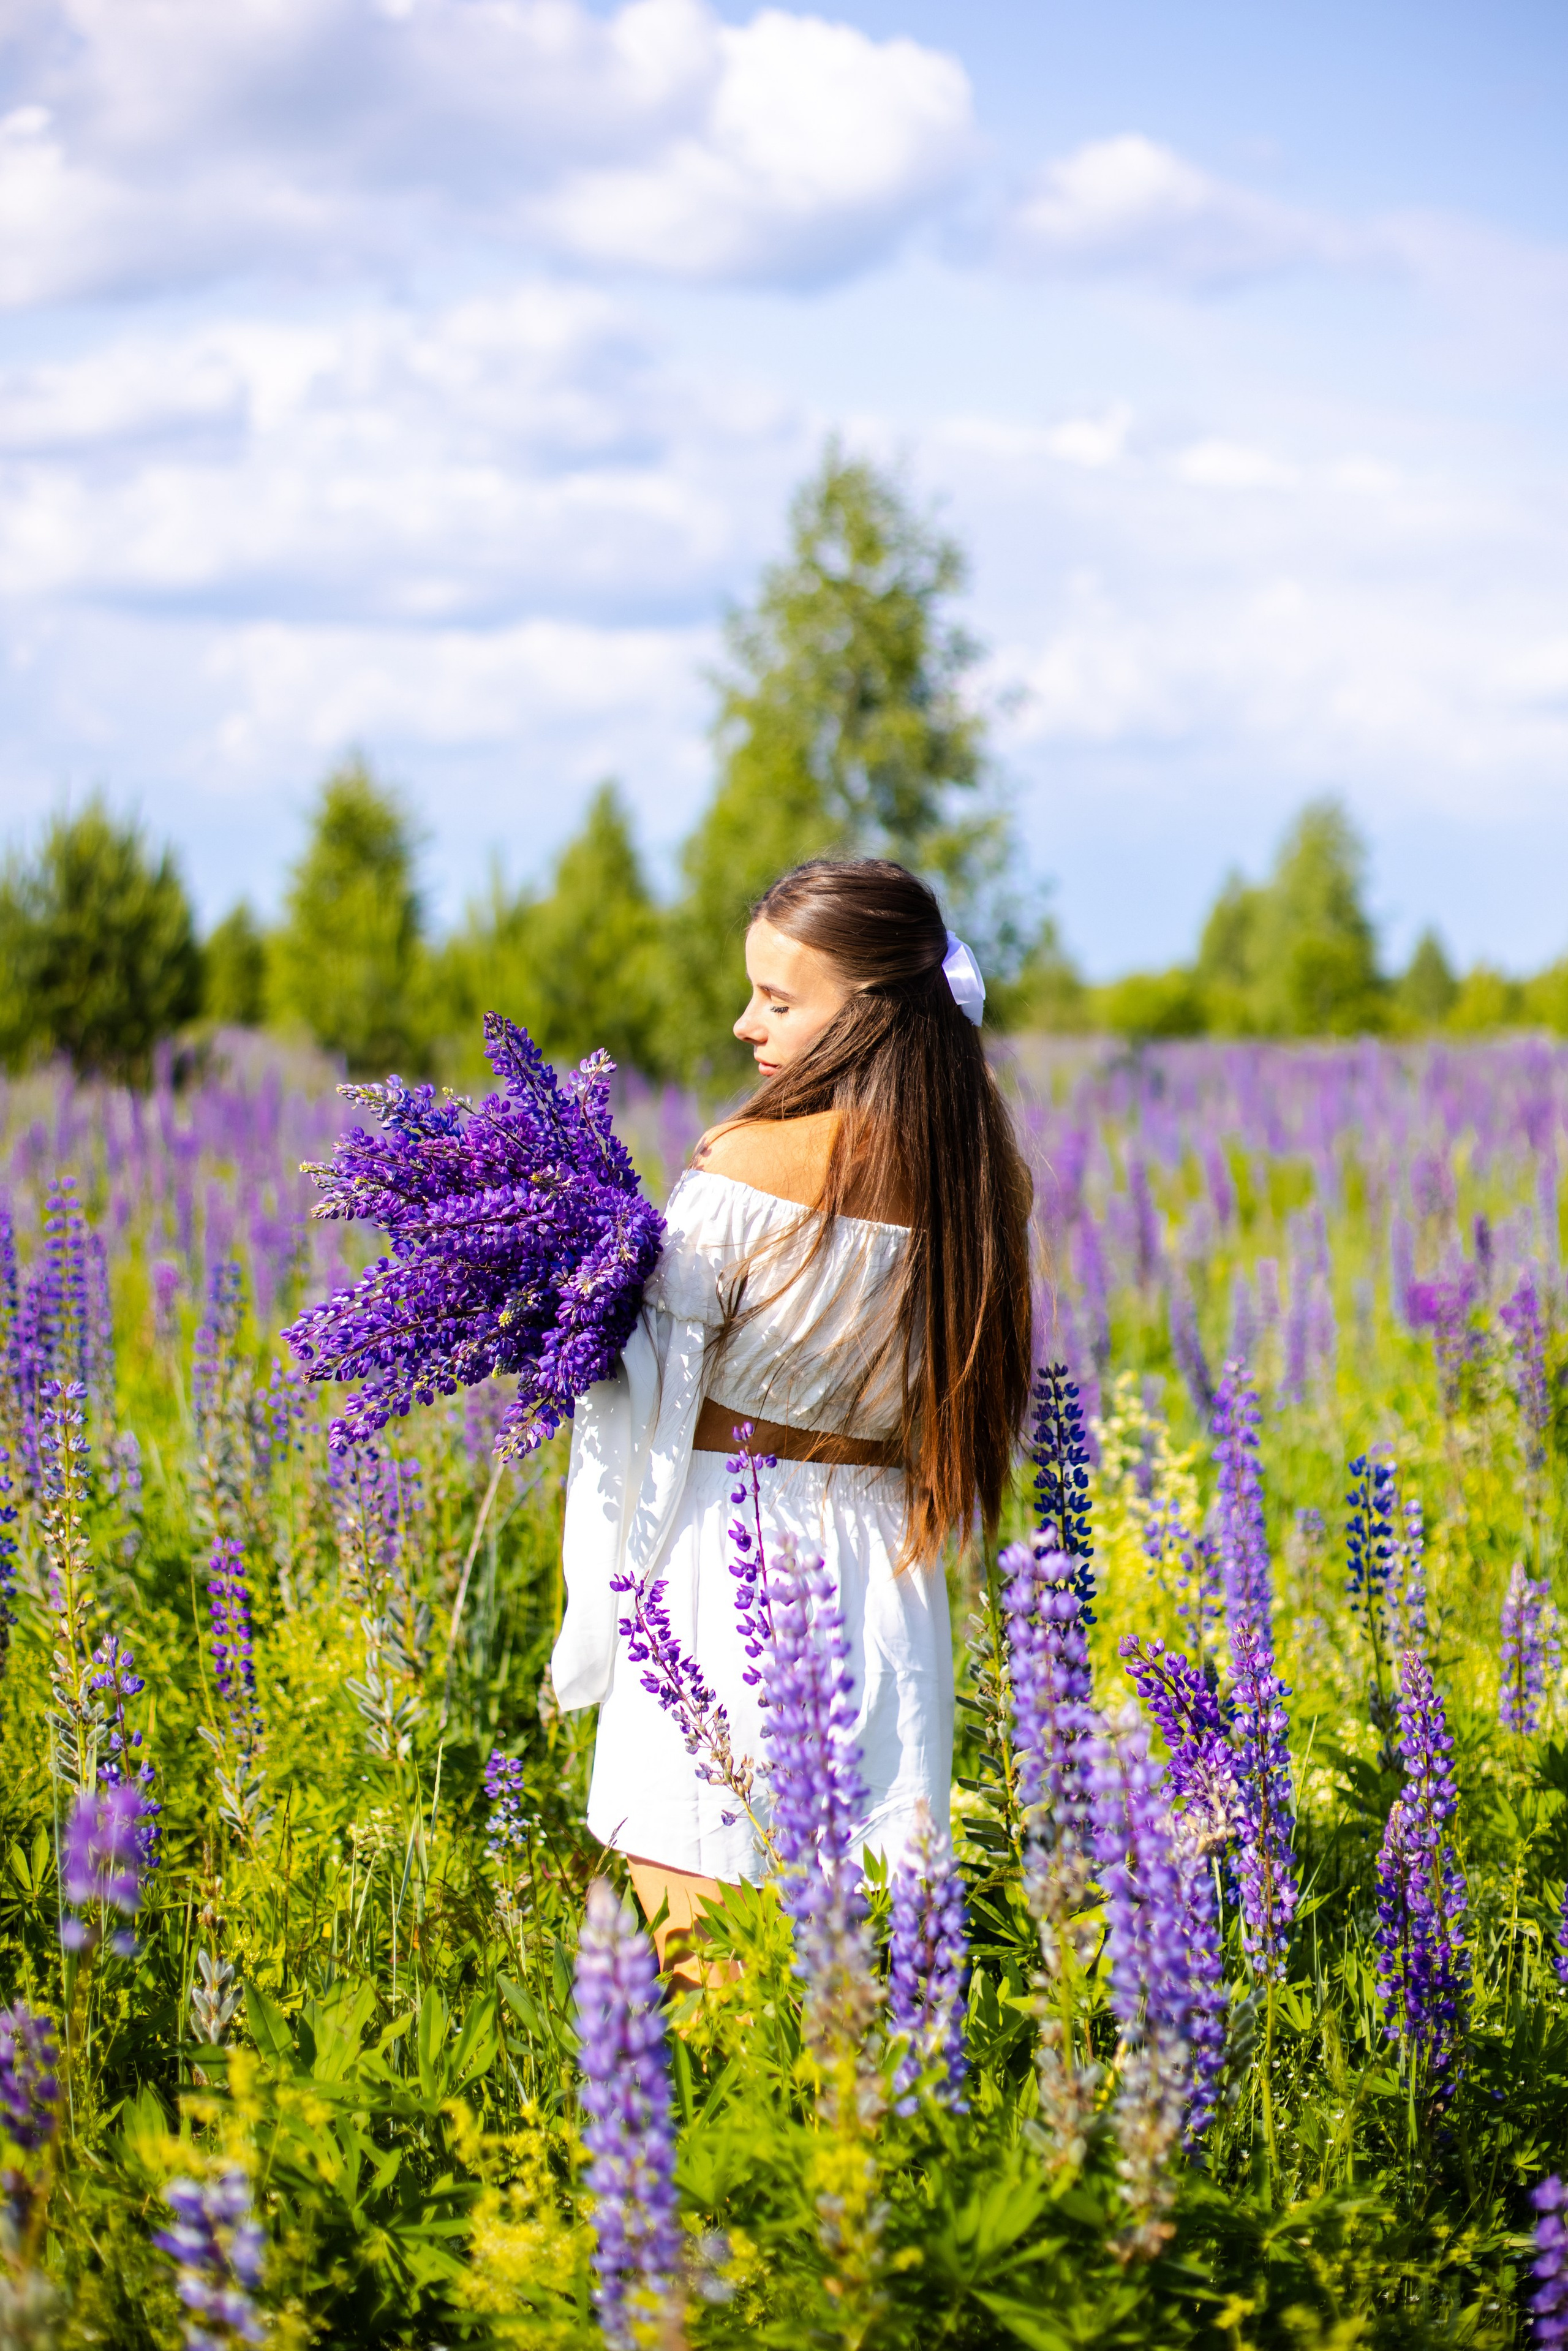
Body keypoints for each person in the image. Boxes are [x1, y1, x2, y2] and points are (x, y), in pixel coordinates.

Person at [549, 858, 1033, 1979]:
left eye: (778, 999)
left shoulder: (743, 1166)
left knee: (702, 1968)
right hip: (883, 1570)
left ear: (865, 1011)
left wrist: (566, 1312)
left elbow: (648, 1401)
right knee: (860, 1980)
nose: (744, 1023)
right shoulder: (977, 1180)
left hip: (730, 1567)